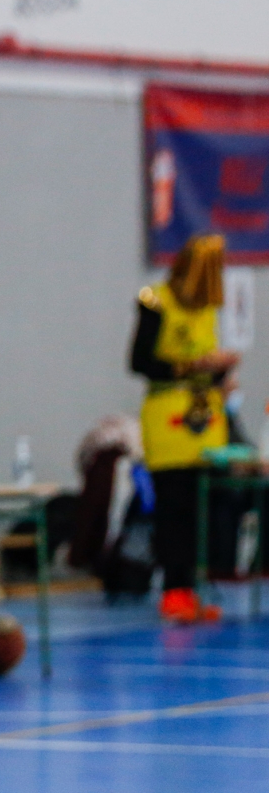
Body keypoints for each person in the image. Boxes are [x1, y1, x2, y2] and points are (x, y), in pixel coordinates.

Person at [130, 234, 238, 623]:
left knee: (202, 511)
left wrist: (221, 371)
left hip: (205, 422)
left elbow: (206, 361)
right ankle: (173, 590)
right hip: (169, 420)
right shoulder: (156, 302)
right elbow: (140, 362)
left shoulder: (208, 309)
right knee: (174, 509)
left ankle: (193, 589)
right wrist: (192, 367)